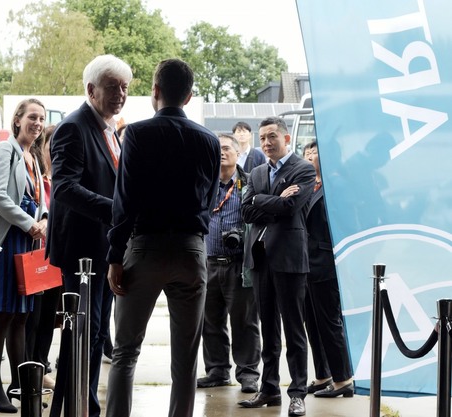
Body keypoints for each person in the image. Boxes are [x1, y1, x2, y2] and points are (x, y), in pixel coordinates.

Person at [106, 58, 221, 417]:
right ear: (188, 96)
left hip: (145, 248)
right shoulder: (210, 140)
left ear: (155, 90)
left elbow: (125, 201)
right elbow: (210, 199)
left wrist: (115, 255)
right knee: (186, 359)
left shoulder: (137, 134)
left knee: (125, 351)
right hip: (191, 250)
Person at [46, 53, 132, 417]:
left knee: (96, 335)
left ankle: (84, 405)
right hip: (81, 252)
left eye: (125, 87)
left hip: (105, 248)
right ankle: (77, 407)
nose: (120, 94)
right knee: (82, 333)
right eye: (112, 87)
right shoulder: (74, 127)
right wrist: (117, 211)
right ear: (91, 89)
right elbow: (65, 188)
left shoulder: (110, 129)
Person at [0, 98, 48, 413]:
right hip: (8, 242)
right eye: (32, 117)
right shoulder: (6, 150)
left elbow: (40, 197)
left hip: (29, 243)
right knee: (3, 315)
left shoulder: (33, 155)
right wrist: (30, 223)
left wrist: (44, 219)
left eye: (41, 118)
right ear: (17, 120)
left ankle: (19, 384)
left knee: (22, 316)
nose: (38, 123)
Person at [238, 116, 315, 416]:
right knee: (268, 329)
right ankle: (269, 389)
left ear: (286, 138)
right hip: (260, 259)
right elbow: (245, 212)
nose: (267, 143)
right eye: (262, 138)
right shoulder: (257, 172)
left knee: (294, 330)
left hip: (289, 258)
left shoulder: (303, 169)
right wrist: (270, 200)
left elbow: (291, 207)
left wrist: (260, 200)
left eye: (272, 136)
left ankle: (298, 393)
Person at [197, 133, 261, 394]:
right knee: (210, 321)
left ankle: (248, 373)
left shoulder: (250, 183)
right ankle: (217, 370)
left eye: (226, 148)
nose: (221, 153)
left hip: (239, 265)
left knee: (245, 322)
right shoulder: (203, 183)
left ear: (237, 154)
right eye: (217, 149)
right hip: (208, 263)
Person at [302, 140, 354, 398]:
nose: (309, 156)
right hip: (304, 263)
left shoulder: (338, 186)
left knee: (329, 322)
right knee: (312, 323)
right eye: (306, 152)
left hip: (325, 262)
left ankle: (343, 379)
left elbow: (348, 224)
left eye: (315, 152)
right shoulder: (306, 185)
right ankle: (323, 375)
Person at [24, 123, 58, 390]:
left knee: (49, 317)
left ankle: (42, 364)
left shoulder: (64, 178)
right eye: (51, 144)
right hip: (34, 254)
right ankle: (30, 367)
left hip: (56, 256)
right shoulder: (36, 177)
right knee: (32, 319)